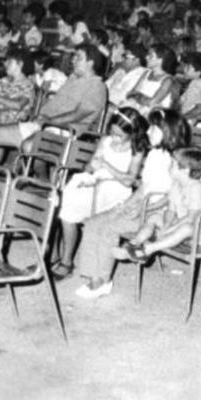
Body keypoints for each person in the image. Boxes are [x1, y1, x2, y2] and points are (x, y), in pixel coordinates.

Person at [74, 109, 190, 298]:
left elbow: (171, 198)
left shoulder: (175, 161)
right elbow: (144, 188)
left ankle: (102, 280)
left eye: (154, 128)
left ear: (167, 132)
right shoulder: (153, 154)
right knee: (94, 222)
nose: (149, 131)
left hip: (157, 216)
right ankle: (91, 275)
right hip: (141, 207)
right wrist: (126, 205)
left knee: (109, 228)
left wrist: (140, 210)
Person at [53, 107, 149, 280]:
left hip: (116, 190)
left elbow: (129, 180)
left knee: (68, 208)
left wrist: (106, 166)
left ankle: (66, 261)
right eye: (112, 132)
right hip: (97, 182)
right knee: (60, 199)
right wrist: (91, 168)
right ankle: (54, 253)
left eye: (120, 135)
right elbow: (90, 167)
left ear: (132, 133)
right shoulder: (106, 140)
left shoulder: (137, 149)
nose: (115, 137)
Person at [0, 44, 108, 160]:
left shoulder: (97, 86)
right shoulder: (72, 79)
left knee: (29, 146)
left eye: (78, 58)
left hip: (66, 131)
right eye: (74, 57)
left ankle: (40, 179)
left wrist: (49, 121)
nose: (73, 60)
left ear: (91, 63)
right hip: (45, 124)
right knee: (0, 132)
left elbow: (79, 114)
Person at [112, 148, 201, 263]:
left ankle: (148, 250)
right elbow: (171, 211)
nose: (168, 167)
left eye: (172, 165)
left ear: (186, 170)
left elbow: (191, 218)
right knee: (155, 217)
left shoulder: (197, 188)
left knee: (187, 228)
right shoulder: (176, 185)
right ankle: (133, 244)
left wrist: (168, 231)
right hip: (180, 225)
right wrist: (166, 225)